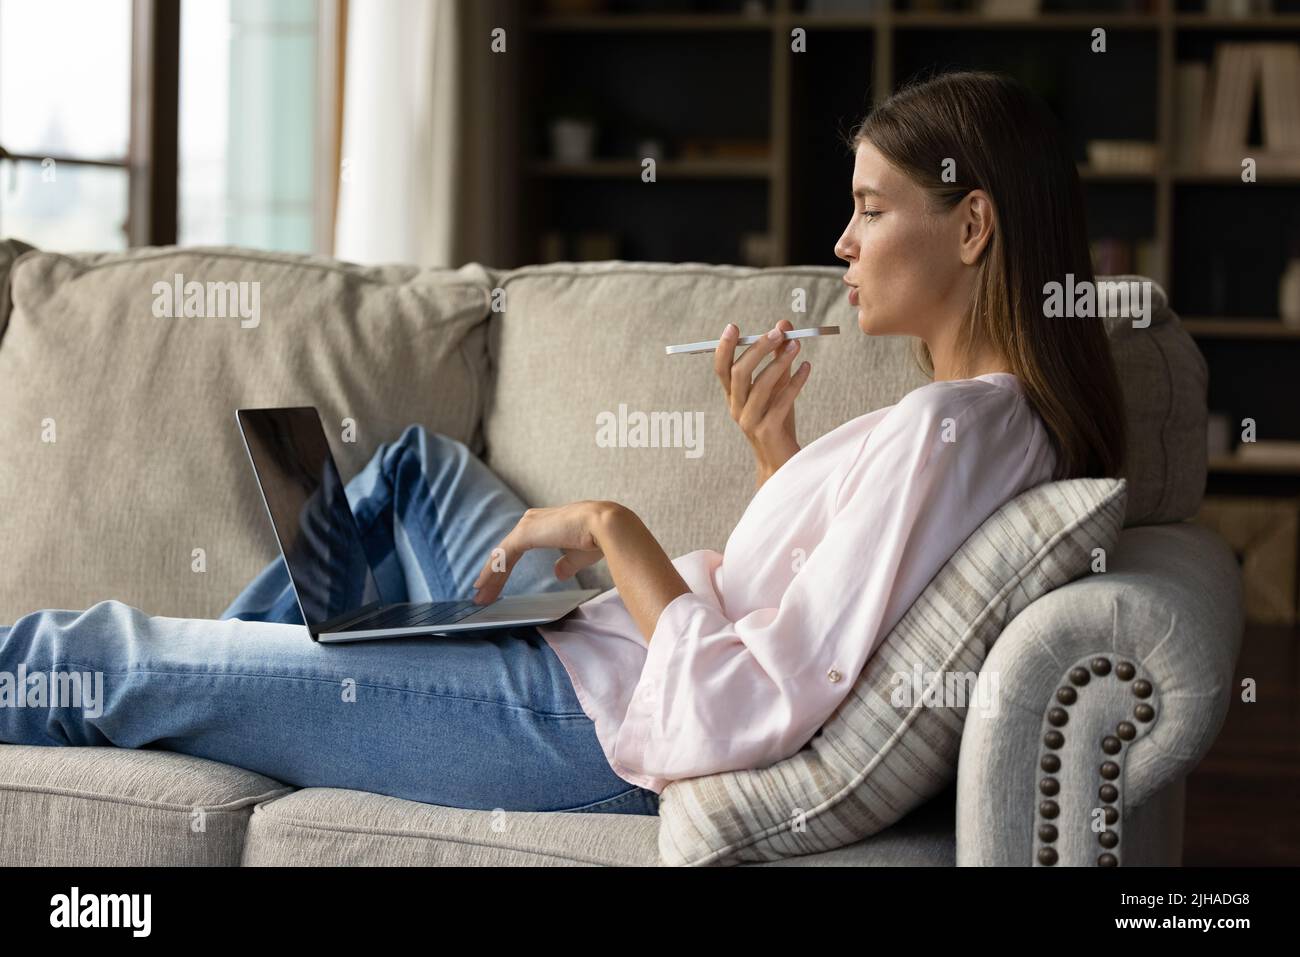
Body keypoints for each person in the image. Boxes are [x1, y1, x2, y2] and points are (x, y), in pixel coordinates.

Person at [0, 70, 1125, 817]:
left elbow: (742, 710)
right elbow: (818, 607)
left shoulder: (952, 428)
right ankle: (263, 675)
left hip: (581, 724)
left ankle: (232, 681)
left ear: (971, 225)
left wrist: (607, 526)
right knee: (413, 472)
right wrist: (775, 448)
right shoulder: (991, 424)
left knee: (92, 648)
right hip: (589, 659)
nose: (841, 241)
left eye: (872, 210)